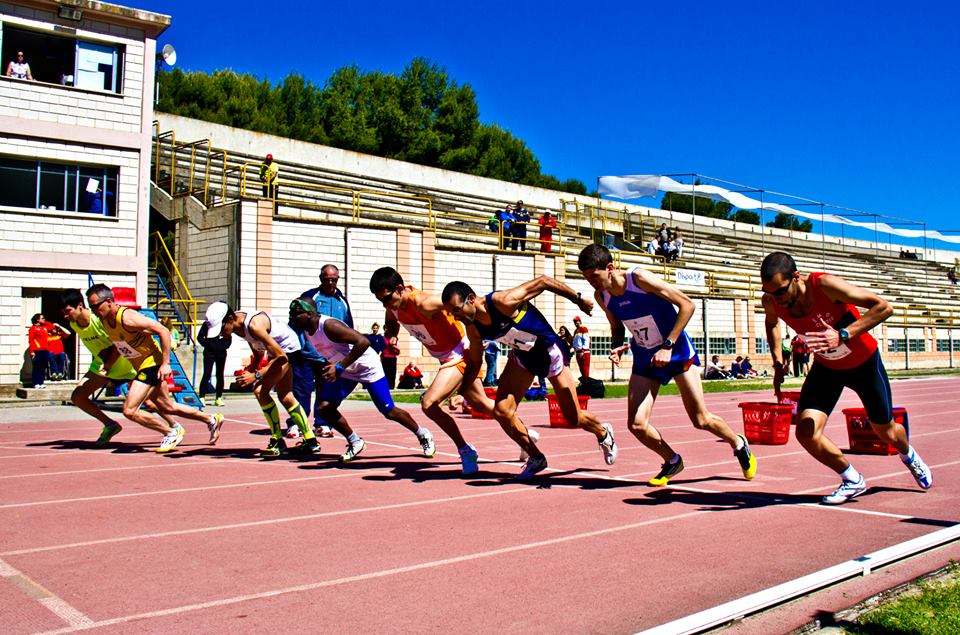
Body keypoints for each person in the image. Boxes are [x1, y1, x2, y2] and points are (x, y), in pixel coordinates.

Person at [760, 251, 932, 504]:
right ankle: (852, 479)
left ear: (796, 278)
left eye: (781, 291)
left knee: (886, 432)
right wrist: (777, 361)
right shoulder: (772, 300)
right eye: (770, 292)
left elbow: (884, 307)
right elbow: (772, 323)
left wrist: (842, 334)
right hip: (827, 368)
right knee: (806, 432)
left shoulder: (825, 285)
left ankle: (909, 455)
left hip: (863, 363)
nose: (777, 298)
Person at [579, 244, 756, 486]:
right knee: (636, 425)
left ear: (609, 268)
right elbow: (617, 326)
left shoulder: (639, 279)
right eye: (586, 277)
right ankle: (672, 460)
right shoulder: (603, 296)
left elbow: (687, 305)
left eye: (593, 276)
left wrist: (668, 345)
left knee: (700, 419)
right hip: (645, 358)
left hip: (677, 353)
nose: (590, 282)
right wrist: (618, 345)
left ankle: (738, 443)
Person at [441, 277, 617, 479]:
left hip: (549, 353)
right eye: (450, 313)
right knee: (502, 411)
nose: (455, 317)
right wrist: (462, 392)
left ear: (471, 299)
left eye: (456, 310)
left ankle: (604, 433)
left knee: (573, 417)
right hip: (522, 358)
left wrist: (577, 299)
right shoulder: (473, 328)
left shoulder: (502, 301)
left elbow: (542, 282)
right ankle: (536, 457)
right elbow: (475, 362)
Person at [371, 266, 508, 474]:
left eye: (387, 299)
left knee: (429, 403)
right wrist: (392, 337)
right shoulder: (392, 306)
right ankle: (523, 432)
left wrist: (482, 333)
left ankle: (465, 450)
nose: (385, 304)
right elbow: (391, 323)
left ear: (399, 288)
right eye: (381, 301)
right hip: (444, 357)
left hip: (458, 353)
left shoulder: (424, 303)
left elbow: (465, 302)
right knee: (483, 404)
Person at [288, 298, 436, 463]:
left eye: (295, 315)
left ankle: (422, 433)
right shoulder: (307, 331)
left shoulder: (329, 326)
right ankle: (355, 441)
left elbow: (363, 342)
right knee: (324, 408)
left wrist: (338, 368)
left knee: (389, 411)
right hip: (346, 370)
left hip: (367, 368)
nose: (292, 319)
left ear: (309, 314)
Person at [85, 284, 223, 453]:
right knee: (166, 406)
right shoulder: (105, 321)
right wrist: (108, 366)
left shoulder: (128, 318)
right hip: (141, 367)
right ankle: (211, 419)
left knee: (129, 410)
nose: (93, 311)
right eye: (90, 307)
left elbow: (163, 331)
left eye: (95, 306)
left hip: (152, 365)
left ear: (108, 301)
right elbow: (118, 346)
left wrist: (165, 364)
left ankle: (171, 432)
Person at [61, 290, 182, 445]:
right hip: (103, 366)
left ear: (79, 306)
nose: (65, 316)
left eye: (67, 311)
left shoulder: (99, 320)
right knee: (78, 397)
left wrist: (109, 363)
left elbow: (119, 344)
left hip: (125, 364)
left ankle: (174, 426)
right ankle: (110, 425)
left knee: (151, 403)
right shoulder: (73, 324)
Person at [202, 301, 318, 458]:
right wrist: (250, 370)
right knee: (285, 396)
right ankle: (310, 440)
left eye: (221, 328)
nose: (221, 334)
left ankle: (277, 440)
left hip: (286, 351)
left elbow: (281, 358)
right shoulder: (238, 327)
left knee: (260, 391)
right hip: (280, 351)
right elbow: (258, 351)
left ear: (230, 318)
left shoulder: (253, 326)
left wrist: (255, 376)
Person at [296, 264, 354, 438]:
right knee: (302, 390)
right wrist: (298, 348)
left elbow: (348, 328)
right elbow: (296, 323)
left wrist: (342, 357)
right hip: (307, 354)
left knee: (325, 392)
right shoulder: (310, 297)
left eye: (334, 279)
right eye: (327, 279)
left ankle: (322, 424)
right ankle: (298, 424)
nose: (331, 282)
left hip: (329, 357)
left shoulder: (342, 301)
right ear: (321, 278)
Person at [197, 320, 231, 407]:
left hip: (221, 353)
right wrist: (208, 345)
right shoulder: (208, 324)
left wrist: (224, 345)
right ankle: (201, 397)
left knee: (220, 375)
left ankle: (218, 398)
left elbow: (229, 338)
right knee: (207, 374)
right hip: (209, 353)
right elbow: (200, 337)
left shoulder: (225, 324)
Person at [27, 314, 51, 389]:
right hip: (37, 350)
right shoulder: (33, 328)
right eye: (42, 318)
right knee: (37, 367)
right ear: (37, 319)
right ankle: (36, 382)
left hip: (45, 349)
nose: (44, 319)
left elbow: (52, 327)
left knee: (43, 366)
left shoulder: (44, 327)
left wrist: (45, 322)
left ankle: (41, 382)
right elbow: (30, 340)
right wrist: (31, 351)